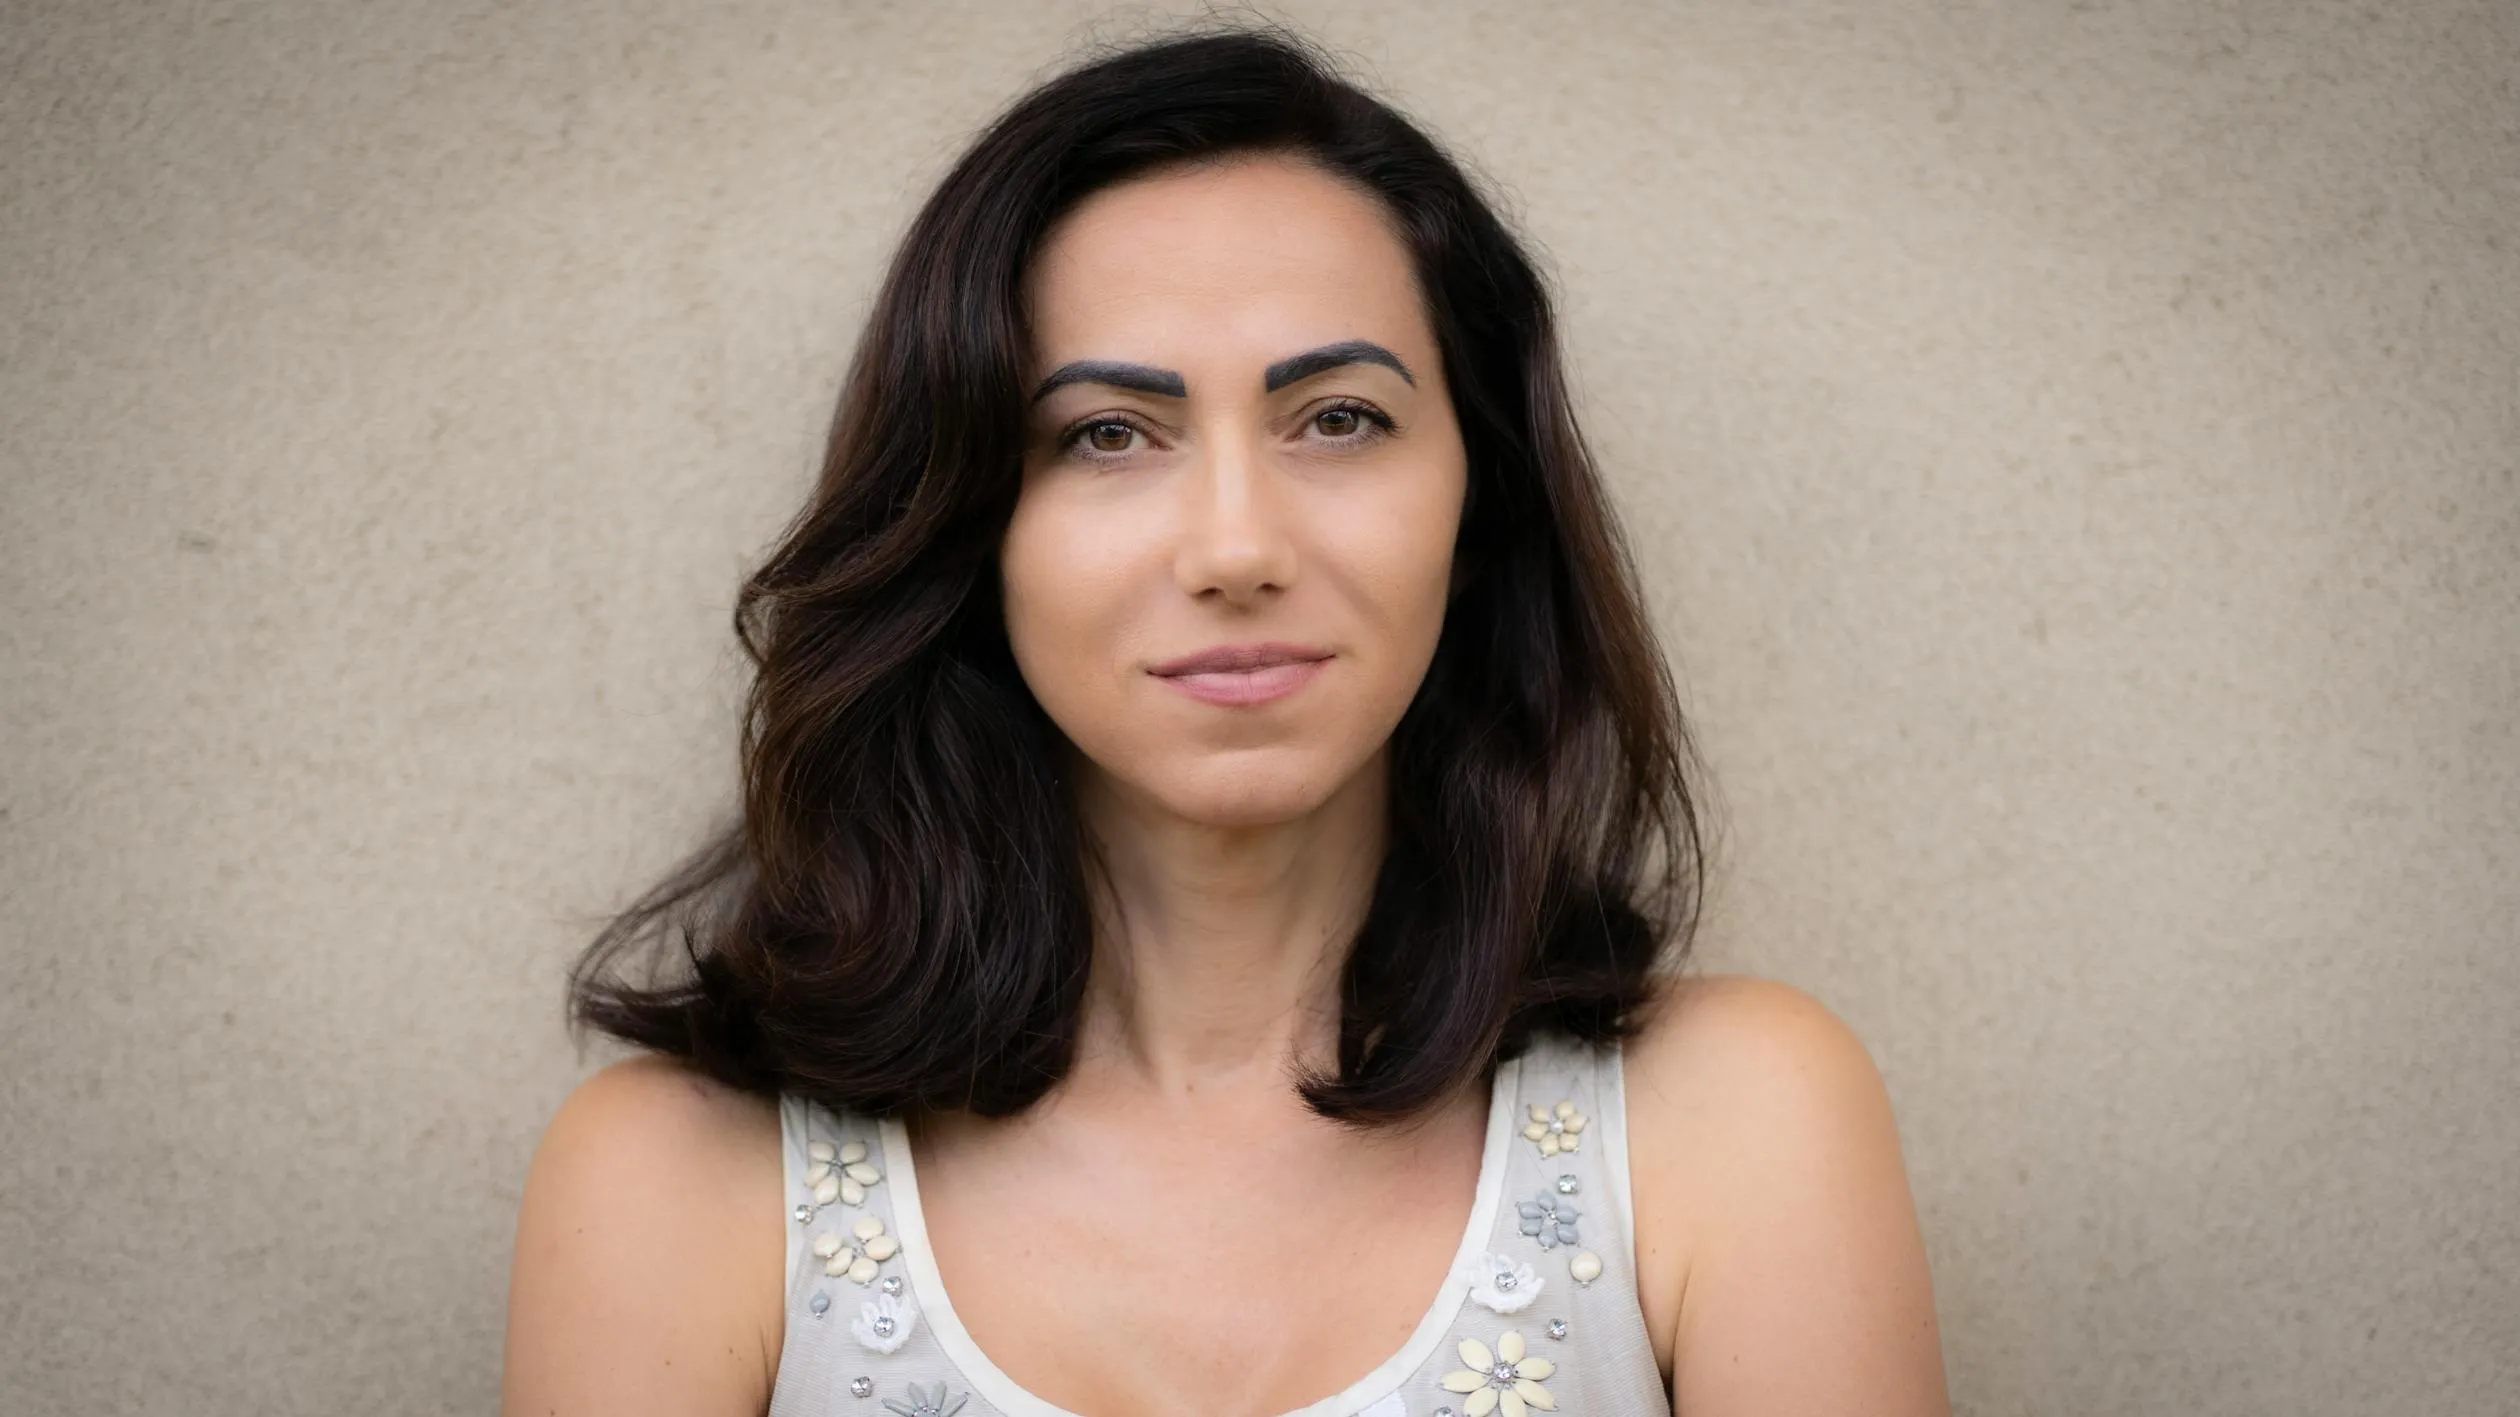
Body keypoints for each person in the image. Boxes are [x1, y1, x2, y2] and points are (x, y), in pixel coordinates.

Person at [502, 23, 1949, 1417]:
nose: (1236, 548)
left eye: (1338, 418)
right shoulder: (679, 1184)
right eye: (1106, 435)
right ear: (966, 524)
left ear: (1480, 498)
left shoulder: (1741, 1131)